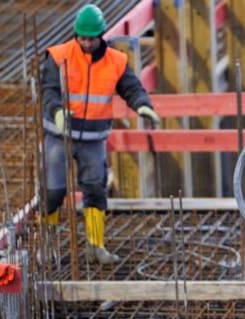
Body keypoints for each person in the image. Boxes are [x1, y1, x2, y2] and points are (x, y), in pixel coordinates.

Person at [40, 4, 160, 264]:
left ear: (101, 35)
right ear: (75, 34)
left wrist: (143, 106)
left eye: (91, 39)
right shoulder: (58, 56)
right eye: (81, 38)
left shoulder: (116, 61)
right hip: (59, 135)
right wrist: (57, 111)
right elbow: (48, 89)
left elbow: (132, 87)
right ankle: (46, 246)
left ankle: (95, 246)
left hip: (93, 139)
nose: (86, 43)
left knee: (95, 190)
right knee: (53, 191)